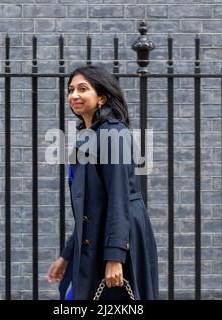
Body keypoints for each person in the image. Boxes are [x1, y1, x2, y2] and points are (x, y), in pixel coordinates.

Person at [46, 65, 158, 300]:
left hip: (117, 242)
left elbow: (119, 198)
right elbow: (89, 207)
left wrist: (115, 257)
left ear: (102, 98)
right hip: (94, 240)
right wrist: (67, 254)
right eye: (71, 89)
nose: (74, 95)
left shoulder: (114, 134)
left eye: (82, 89)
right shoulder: (88, 137)